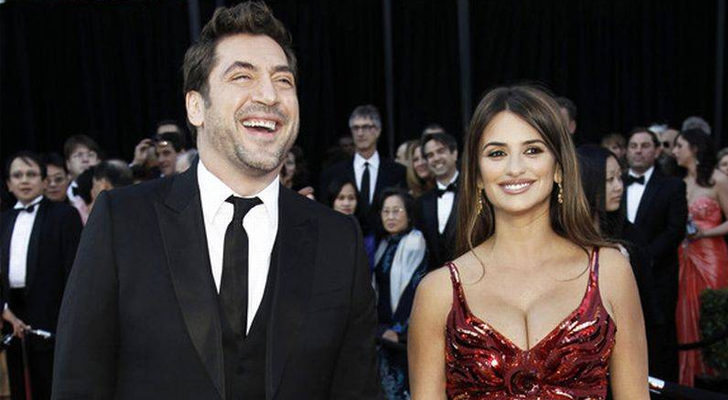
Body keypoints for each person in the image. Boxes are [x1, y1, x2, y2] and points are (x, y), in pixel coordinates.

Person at [52, 3, 379, 399]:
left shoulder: (338, 240)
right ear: (196, 106)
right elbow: (79, 384)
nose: (269, 95)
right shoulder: (122, 222)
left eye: (284, 80)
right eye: (242, 76)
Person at [408, 85, 648, 399]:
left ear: (559, 167)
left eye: (532, 150)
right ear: (478, 175)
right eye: (497, 153)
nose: (515, 168)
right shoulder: (438, 292)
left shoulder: (610, 272)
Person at [1, 151, 82, 400]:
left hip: (51, 313)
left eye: (31, 174)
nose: (24, 180)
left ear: (44, 181)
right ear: (8, 184)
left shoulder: (64, 216)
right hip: (10, 312)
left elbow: (74, 270)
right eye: (17, 175)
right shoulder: (3, 220)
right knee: (18, 385)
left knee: (51, 384)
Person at [623, 127, 687, 383]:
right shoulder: (614, 182)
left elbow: (675, 230)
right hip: (618, 275)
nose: (638, 151)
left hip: (658, 276)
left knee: (658, 341)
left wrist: (642, 258)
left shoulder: (672, 186)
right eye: (633, 146)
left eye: (645, 145)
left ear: (657, 150)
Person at [671, 129, 728, 387]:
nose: (674, 151)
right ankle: (689, 380)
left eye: (679, 145)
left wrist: (704, 233)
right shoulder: (679, 182)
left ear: (693, 148)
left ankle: (716, 377)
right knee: (686, 314)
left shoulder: (719, 180)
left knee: (709, 312)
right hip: (684, 255)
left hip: (711, 256)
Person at [373, 188, 427, 399]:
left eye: (396, 211)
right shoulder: (384, 243)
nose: (390, 216)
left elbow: (415, 287)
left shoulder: (414, 241)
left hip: (402, 335)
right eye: (386, 211)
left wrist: (398, 330)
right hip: (383, 332)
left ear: (408, 214)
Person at [319, 105, 406, 233]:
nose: (360, 133)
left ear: (377, 131)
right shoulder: (333, 173)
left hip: (386, 245)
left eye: (366, 127)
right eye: (355, 128)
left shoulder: (397, 172)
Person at [414, 132, 459, 271]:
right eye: (430, 155)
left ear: (454, 154)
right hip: (437, 282)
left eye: (440, 151)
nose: (436, 158)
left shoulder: (475, 192)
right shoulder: (421, 203)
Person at [325, 178, 376, 269]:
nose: (346, 203)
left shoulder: (366, 234)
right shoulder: (323, 231)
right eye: (341, 198)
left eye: (351, 198)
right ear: (332, 201)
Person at [63, 134, 102, 223]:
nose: (85, 160)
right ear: (68, 164)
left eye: (90, 155)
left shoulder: (108, 188)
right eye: (79, 155)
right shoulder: (61, 193)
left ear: (98, 161)